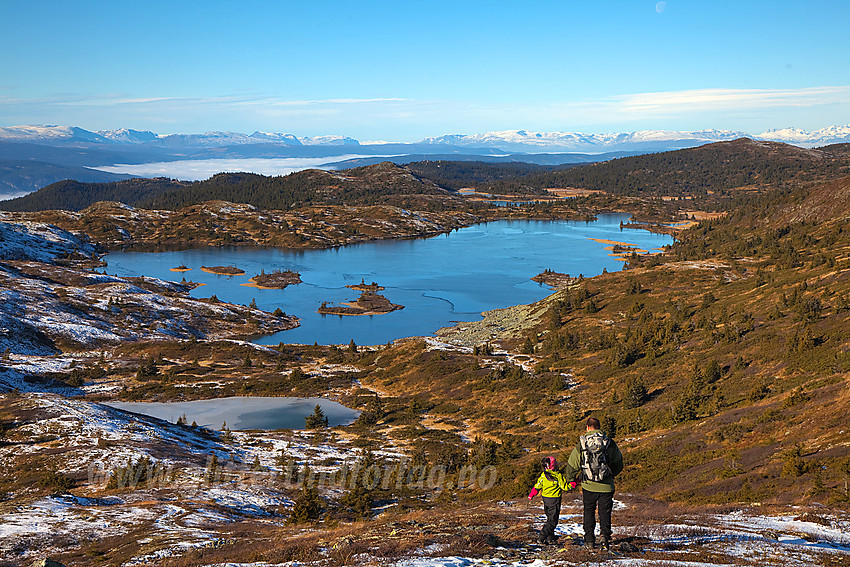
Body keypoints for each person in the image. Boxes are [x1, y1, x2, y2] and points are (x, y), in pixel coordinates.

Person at [564, 417, 623, 551]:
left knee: (589, 512)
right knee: (605, 513)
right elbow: (619, 464)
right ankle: (604, 538)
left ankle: (589, 540)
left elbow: (572, 465)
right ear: (599, 427)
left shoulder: (582, 444)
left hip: (588, 485)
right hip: (607, 486)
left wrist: (571, 479)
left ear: (587, 427)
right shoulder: (609, 443)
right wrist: (610, 475)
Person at [527, 456, 577, 545]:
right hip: (555, 500)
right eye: (556, 462)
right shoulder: (557, 476)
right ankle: (542, 537)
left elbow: (537, 486)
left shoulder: (543, 476)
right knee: (553, 521)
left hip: (546, 499)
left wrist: (532, 494)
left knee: (549, 517)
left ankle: (550, 537)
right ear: (553, 465)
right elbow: (565, 487)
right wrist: (573, 484)